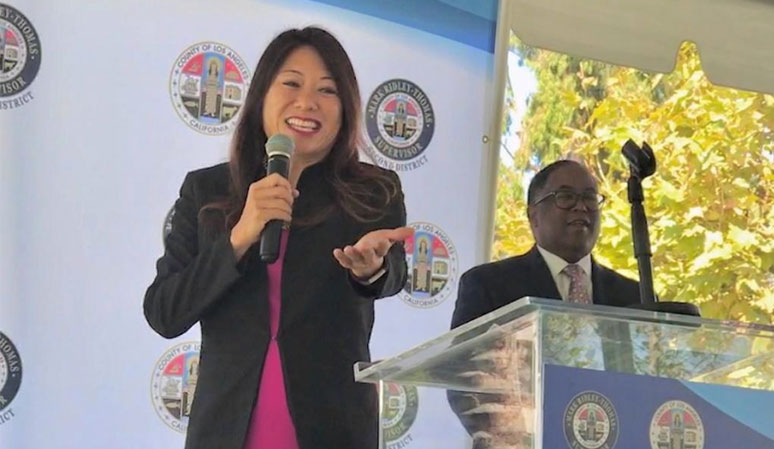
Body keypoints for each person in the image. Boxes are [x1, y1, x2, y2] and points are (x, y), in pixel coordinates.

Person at [143, 27, 412, 449]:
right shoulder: (207, 191)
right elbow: (164, 311)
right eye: (291, 83)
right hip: (226, 430)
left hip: (333, 428)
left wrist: (372, 269)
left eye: (327, 90)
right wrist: (238, 238)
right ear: (261, 95)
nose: (307, 102)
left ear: (345, 108)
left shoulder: (373, 190)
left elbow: (394, 271)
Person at [448, 159, 642, 448]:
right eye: (565, 197)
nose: (581, 207)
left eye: (590, 198)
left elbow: (644, 387)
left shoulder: (633, 297)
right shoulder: (488, 285)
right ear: (533, 215)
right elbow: (466, 383)